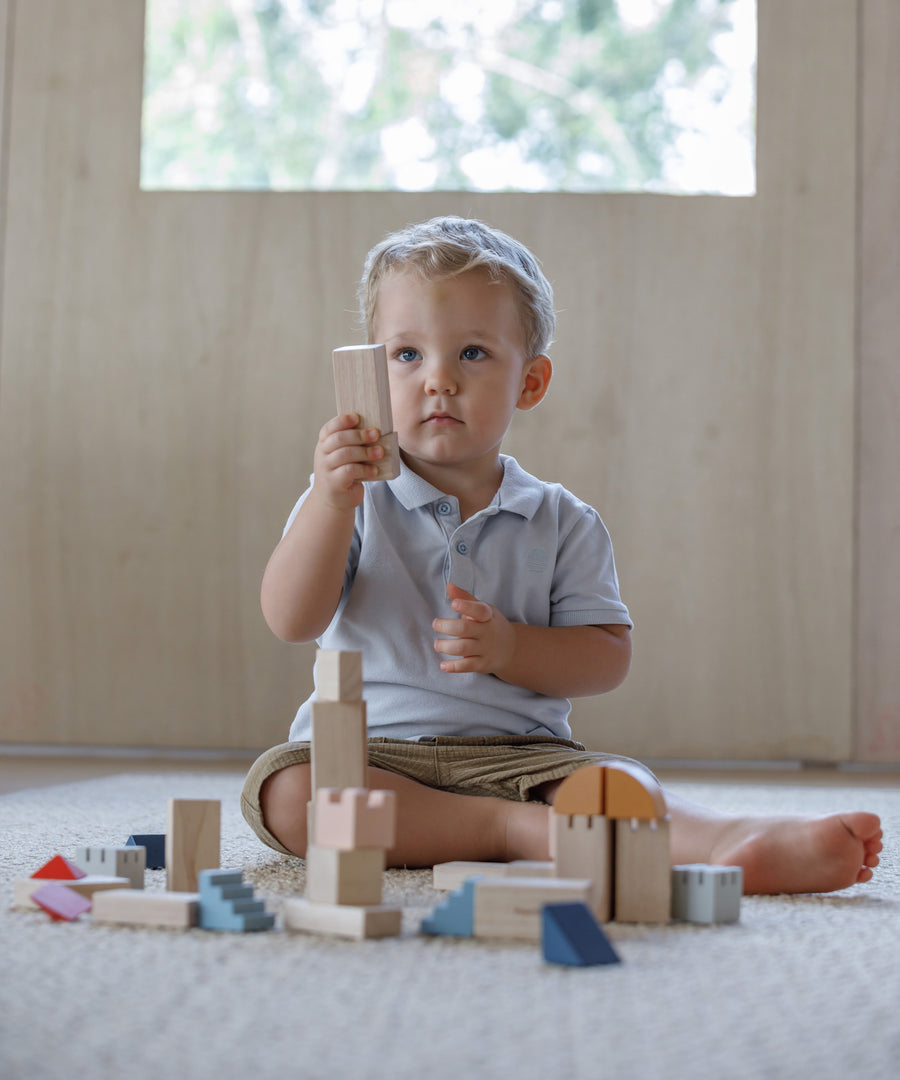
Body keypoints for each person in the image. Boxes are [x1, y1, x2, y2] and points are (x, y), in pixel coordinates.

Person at [241, 216, 881, 895]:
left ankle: (732, 840)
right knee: (289, 794)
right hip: (371, 754)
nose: (438, 381)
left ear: (531, 383)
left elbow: (606, 657)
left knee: (620, 785)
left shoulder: (561, 519)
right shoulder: (347, 499)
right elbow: (290, 619)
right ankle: (517, 832)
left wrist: (513, 649)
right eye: (406, 355)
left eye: (473, 354)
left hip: (527, 757)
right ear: (368, 370)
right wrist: (332, 503)